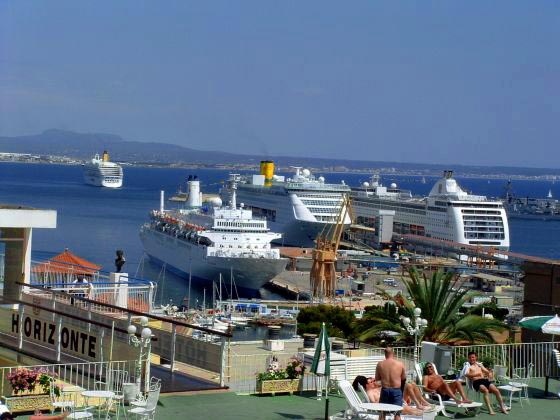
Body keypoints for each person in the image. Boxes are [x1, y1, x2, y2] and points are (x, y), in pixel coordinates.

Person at [353, 375, 433, 416]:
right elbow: (375, 404)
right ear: (366, 385)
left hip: (395, 402)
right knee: (412, 410)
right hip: (391, 407)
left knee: (410, 384)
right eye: (371, 381)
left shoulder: (378, 388)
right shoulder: (370, 393)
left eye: (373, 380)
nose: (374, 382)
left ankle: (422, 405)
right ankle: (425, 413)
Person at [375, 347, 406, 420]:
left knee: (382, 413)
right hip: (396, 390)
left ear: (385, 354)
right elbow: (403, 378)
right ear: (393, 353)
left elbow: (377, 378)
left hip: (385, 390)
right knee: (397, 413)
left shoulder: (380, 364)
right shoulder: (400, 364)